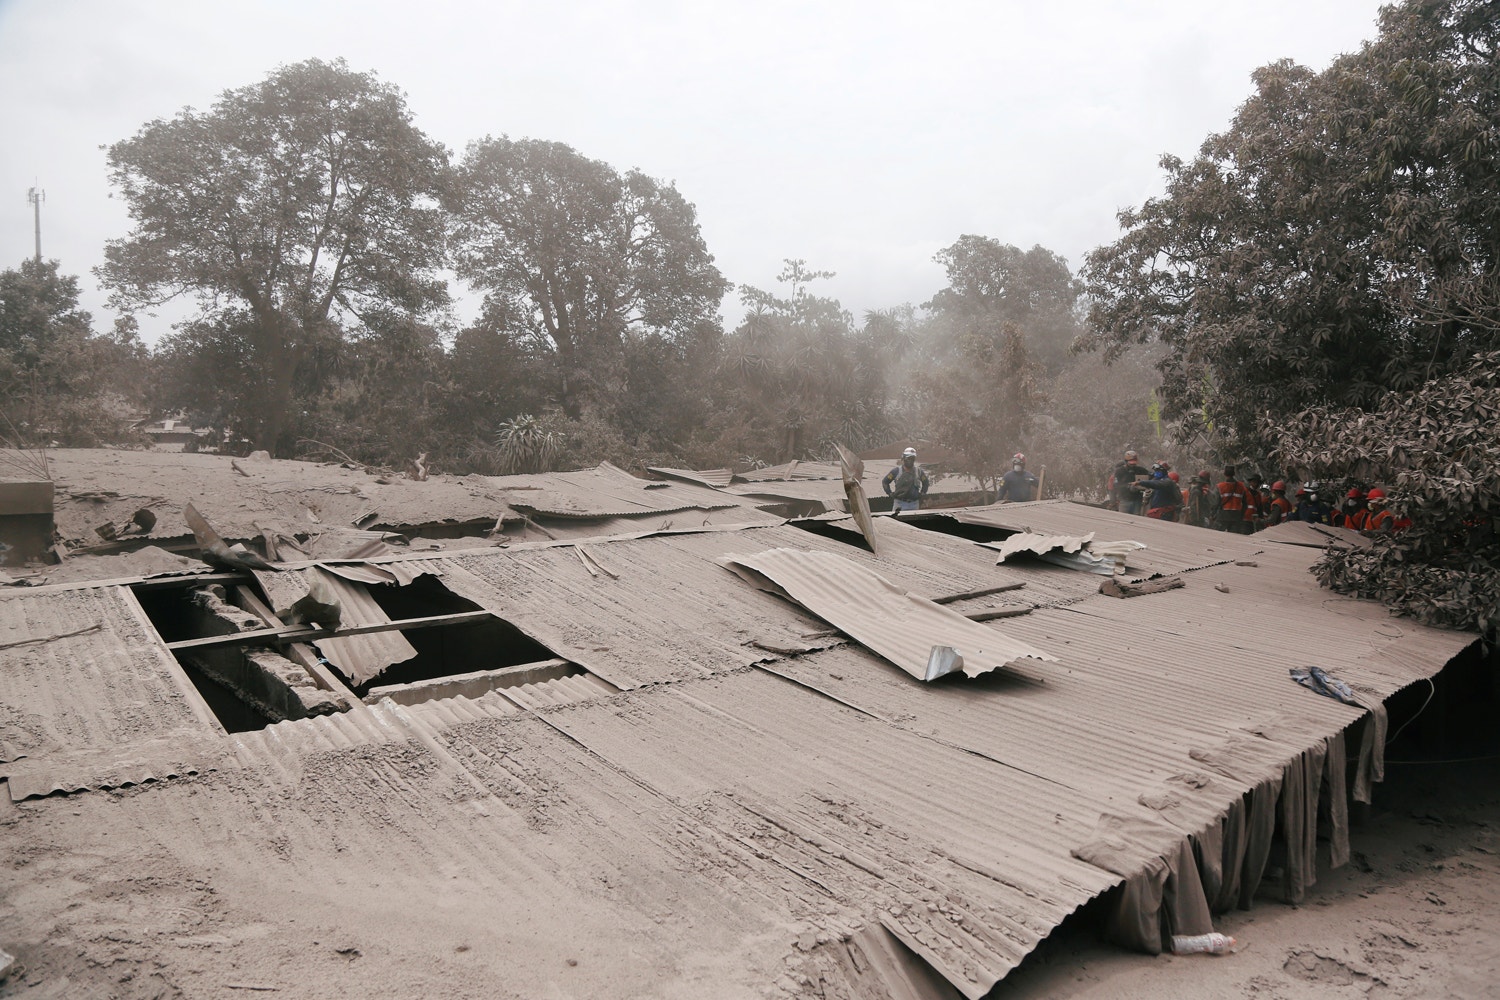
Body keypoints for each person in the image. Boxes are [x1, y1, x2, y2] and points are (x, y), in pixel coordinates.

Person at [882, 447, 930, 512]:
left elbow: (926, 483)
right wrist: (889, 493)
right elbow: (885, 482)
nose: (910, 460)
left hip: (914, 504)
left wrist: (922, 493)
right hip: (899, 503)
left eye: (912, 458)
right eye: (908, 458)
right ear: (903, 458)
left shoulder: (919, 471)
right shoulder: (896, 471)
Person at [1215, 466, 1252, 534]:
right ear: (1234, 474)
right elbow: (1245, 504)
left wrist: (1213, 514)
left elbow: (1216, 503)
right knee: (1234, 536)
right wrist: (1241, 515)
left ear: (1224, 474)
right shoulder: (1241, 486)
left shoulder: (1220, 486)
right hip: (1236, 515)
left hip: (1223, 515)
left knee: (1219, 535)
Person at [1112, 449, 1150, 514]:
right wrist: (1128, 486)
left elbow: (1150, 478)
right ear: (1126, 461)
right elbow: (1116, 485)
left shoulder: (1141, 470)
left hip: (1137, 500)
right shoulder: (1120, 471)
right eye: (1131, 462)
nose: (1133, 464)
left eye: (1134, 461)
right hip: (1124, 500)